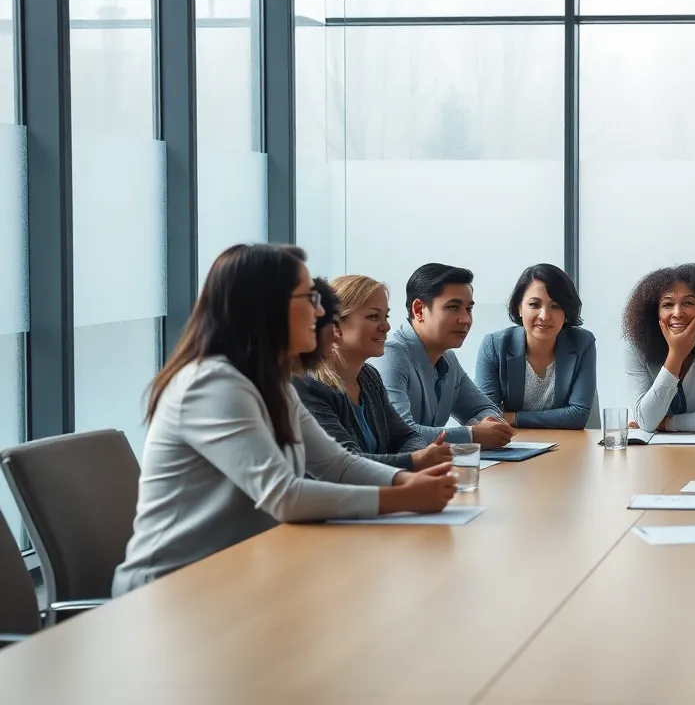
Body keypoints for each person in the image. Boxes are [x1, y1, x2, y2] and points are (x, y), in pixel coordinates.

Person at [113, 245, 458, 595]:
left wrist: (404, 481)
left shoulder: (271, 382)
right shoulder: (213, 384)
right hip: (171, 588)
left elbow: (336, 464)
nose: (321, 310)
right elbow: (282, 495)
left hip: (239, 573)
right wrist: (403, 497)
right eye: (308, 297)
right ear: (266, 306)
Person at [296, 274, 455, 471]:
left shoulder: (368, 376)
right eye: (373, 316)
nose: (386, 326)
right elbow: (345, 464)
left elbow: (408, 436)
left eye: (385, 316)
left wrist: (413, 458)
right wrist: (414, 461)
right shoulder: (308, 385)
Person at [372, 263, 515, 449]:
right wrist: (472, 435)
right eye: (453, 307)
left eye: (468, 309)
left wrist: (490, 424)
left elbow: (484, 408)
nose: (465, 319)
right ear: (418, 310)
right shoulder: (391, 356)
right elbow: (399, 432)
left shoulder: (448, 358)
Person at [623, 264, 695, 433]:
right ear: (654, 311)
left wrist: (665, 423)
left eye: (688, 303)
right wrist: (676, 355)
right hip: (658, 453)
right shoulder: (636, 347)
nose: (677, 313)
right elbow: (646, 421)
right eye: (667, 305)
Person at [476, 264, 597, 430]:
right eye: (534, 304)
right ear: (519, 308)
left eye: (555, 306)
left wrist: (514, 417)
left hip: (566, 444)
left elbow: (578, 415)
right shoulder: (494, 345)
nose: (544, 316)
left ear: (566, 311)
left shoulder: (582, 342)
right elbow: (488, 417)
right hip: (511, 444)